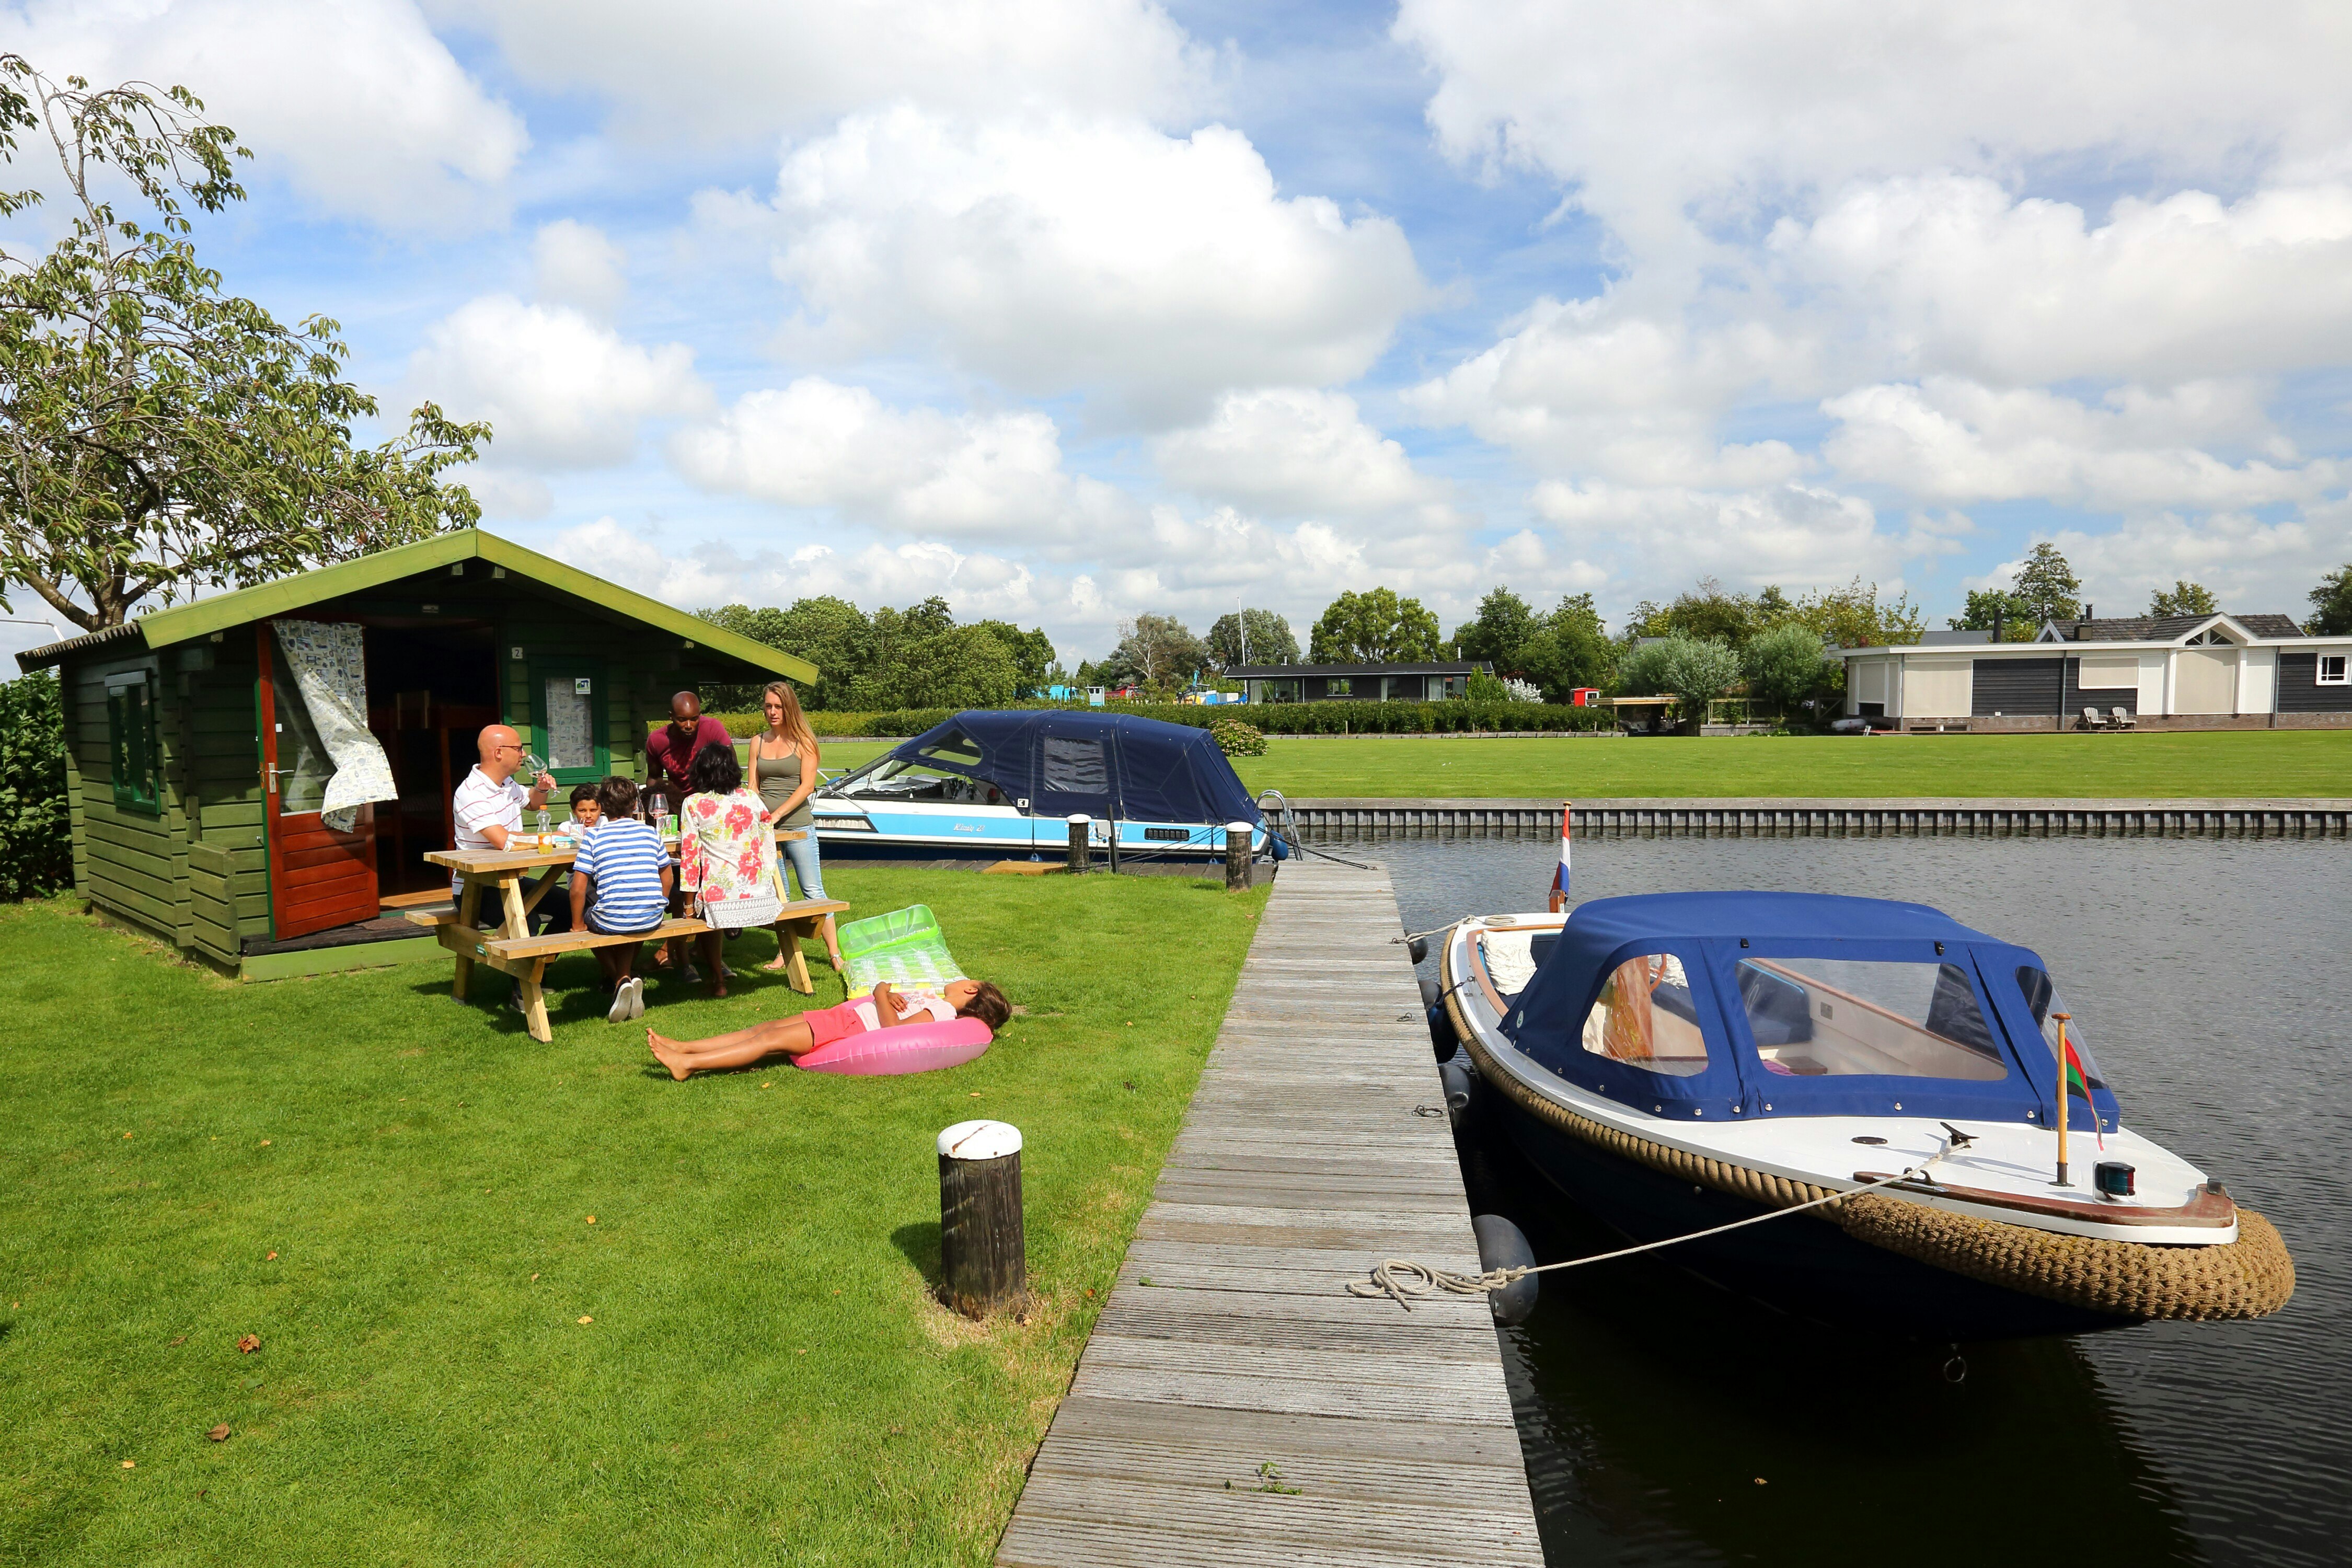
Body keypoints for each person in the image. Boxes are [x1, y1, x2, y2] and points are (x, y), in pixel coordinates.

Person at [645, 978, 1012, 1081]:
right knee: (766, 1029)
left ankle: (688, 1064)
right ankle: (687, 1048)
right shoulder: (940, 1005)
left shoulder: (946, 1007)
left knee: (768, 1039)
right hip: (846, 1021)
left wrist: (881, 992)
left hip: (850, 1027)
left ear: (971, 991)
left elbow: (890, 1029)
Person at [746, 679, 844, 973]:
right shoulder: (757, 742)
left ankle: (835, 954)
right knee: (779, 894)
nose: (773, 712)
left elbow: (807, 787)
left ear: (789, 708)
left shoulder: (805, 743)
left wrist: (777, 816)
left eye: (778, 706)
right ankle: (785, 952)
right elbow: (753, 785)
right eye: (768, 706)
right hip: (766, 830)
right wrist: (753, 814)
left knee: (813, 890)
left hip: (799, 826)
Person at [674, 742, 777, 999]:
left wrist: (688, 906)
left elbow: (690, 858)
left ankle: (717, 980)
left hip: (723, 902)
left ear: (700, 771)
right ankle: (715, 969)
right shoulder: (751, 798)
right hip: (762, 899)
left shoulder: (694, 803)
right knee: (711, 910)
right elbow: (768, 838)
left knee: (705, 915)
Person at [569, 776, 673, 1022]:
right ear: (635, 804)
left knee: (598, 922)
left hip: (614, 918)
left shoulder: (593, 837)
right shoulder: (651, 833)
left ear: (603, 806)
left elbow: (578, 888)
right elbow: (667, 879)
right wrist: (658, 904)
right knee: (628, 917)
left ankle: (619, 980)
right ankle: (625, 978)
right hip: (651, 916)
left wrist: (577, 926)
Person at [644, 689, 732, 800]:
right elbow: (654, 778)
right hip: (676, 801)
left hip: (711, 800)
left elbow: (732, 768)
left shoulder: (712, 729)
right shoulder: (657, 740)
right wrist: (653, 804)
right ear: (671, 716)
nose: (689, 725)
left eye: (694, 719)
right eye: (682, 720)